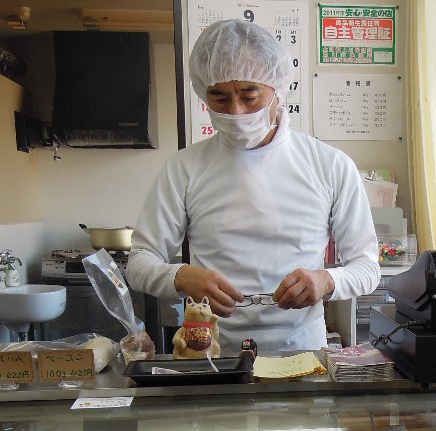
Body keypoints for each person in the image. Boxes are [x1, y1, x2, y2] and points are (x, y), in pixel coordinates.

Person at [125, 18, 381, 356]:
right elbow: (139, 263)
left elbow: (367, 268)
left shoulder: (328, 165)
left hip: (302, 353)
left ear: (277, 89)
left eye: (249, 96)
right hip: (214, 355)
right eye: (219, 98)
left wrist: (327, 280)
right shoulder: (184, 167)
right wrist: (181, 276)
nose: (236, 111)